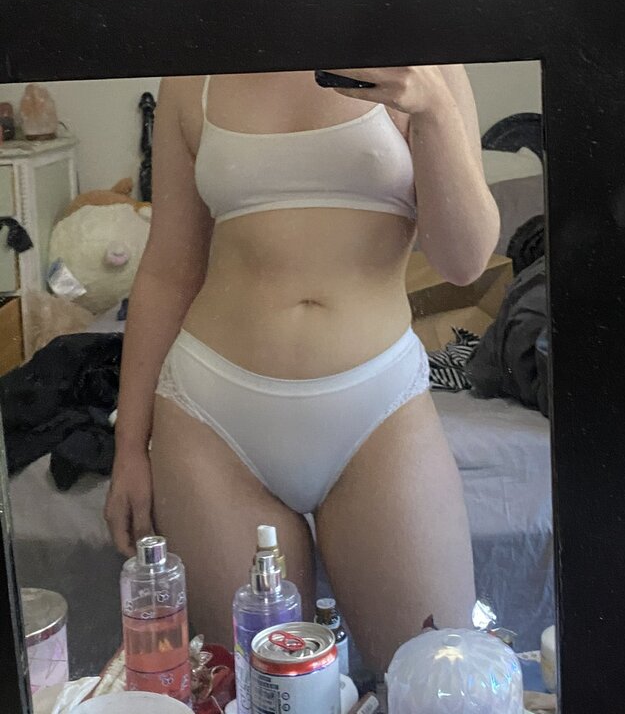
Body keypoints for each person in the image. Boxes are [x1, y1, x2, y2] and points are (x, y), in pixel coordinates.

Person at [104, 65, 501, 669]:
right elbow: (167, 268)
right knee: (258, 694)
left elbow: (465, 262)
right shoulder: (194, 75)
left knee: (436, 678)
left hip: (377, 411)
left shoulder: (427, 62)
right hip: (212, 419)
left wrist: (434, 109)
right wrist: (130, 447)